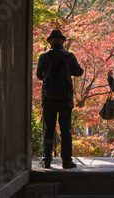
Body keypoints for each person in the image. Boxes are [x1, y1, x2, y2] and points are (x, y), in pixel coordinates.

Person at [37, 29, 84, 169]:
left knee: (49, 128)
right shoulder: (69, 56)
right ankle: (66, 161)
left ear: (50, 41)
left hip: (48, 99)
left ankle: (46, 160)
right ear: (63, 41)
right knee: (65, 129)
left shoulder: (44, 57)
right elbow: (79, 72)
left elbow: (39, 76)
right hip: (65, 99)